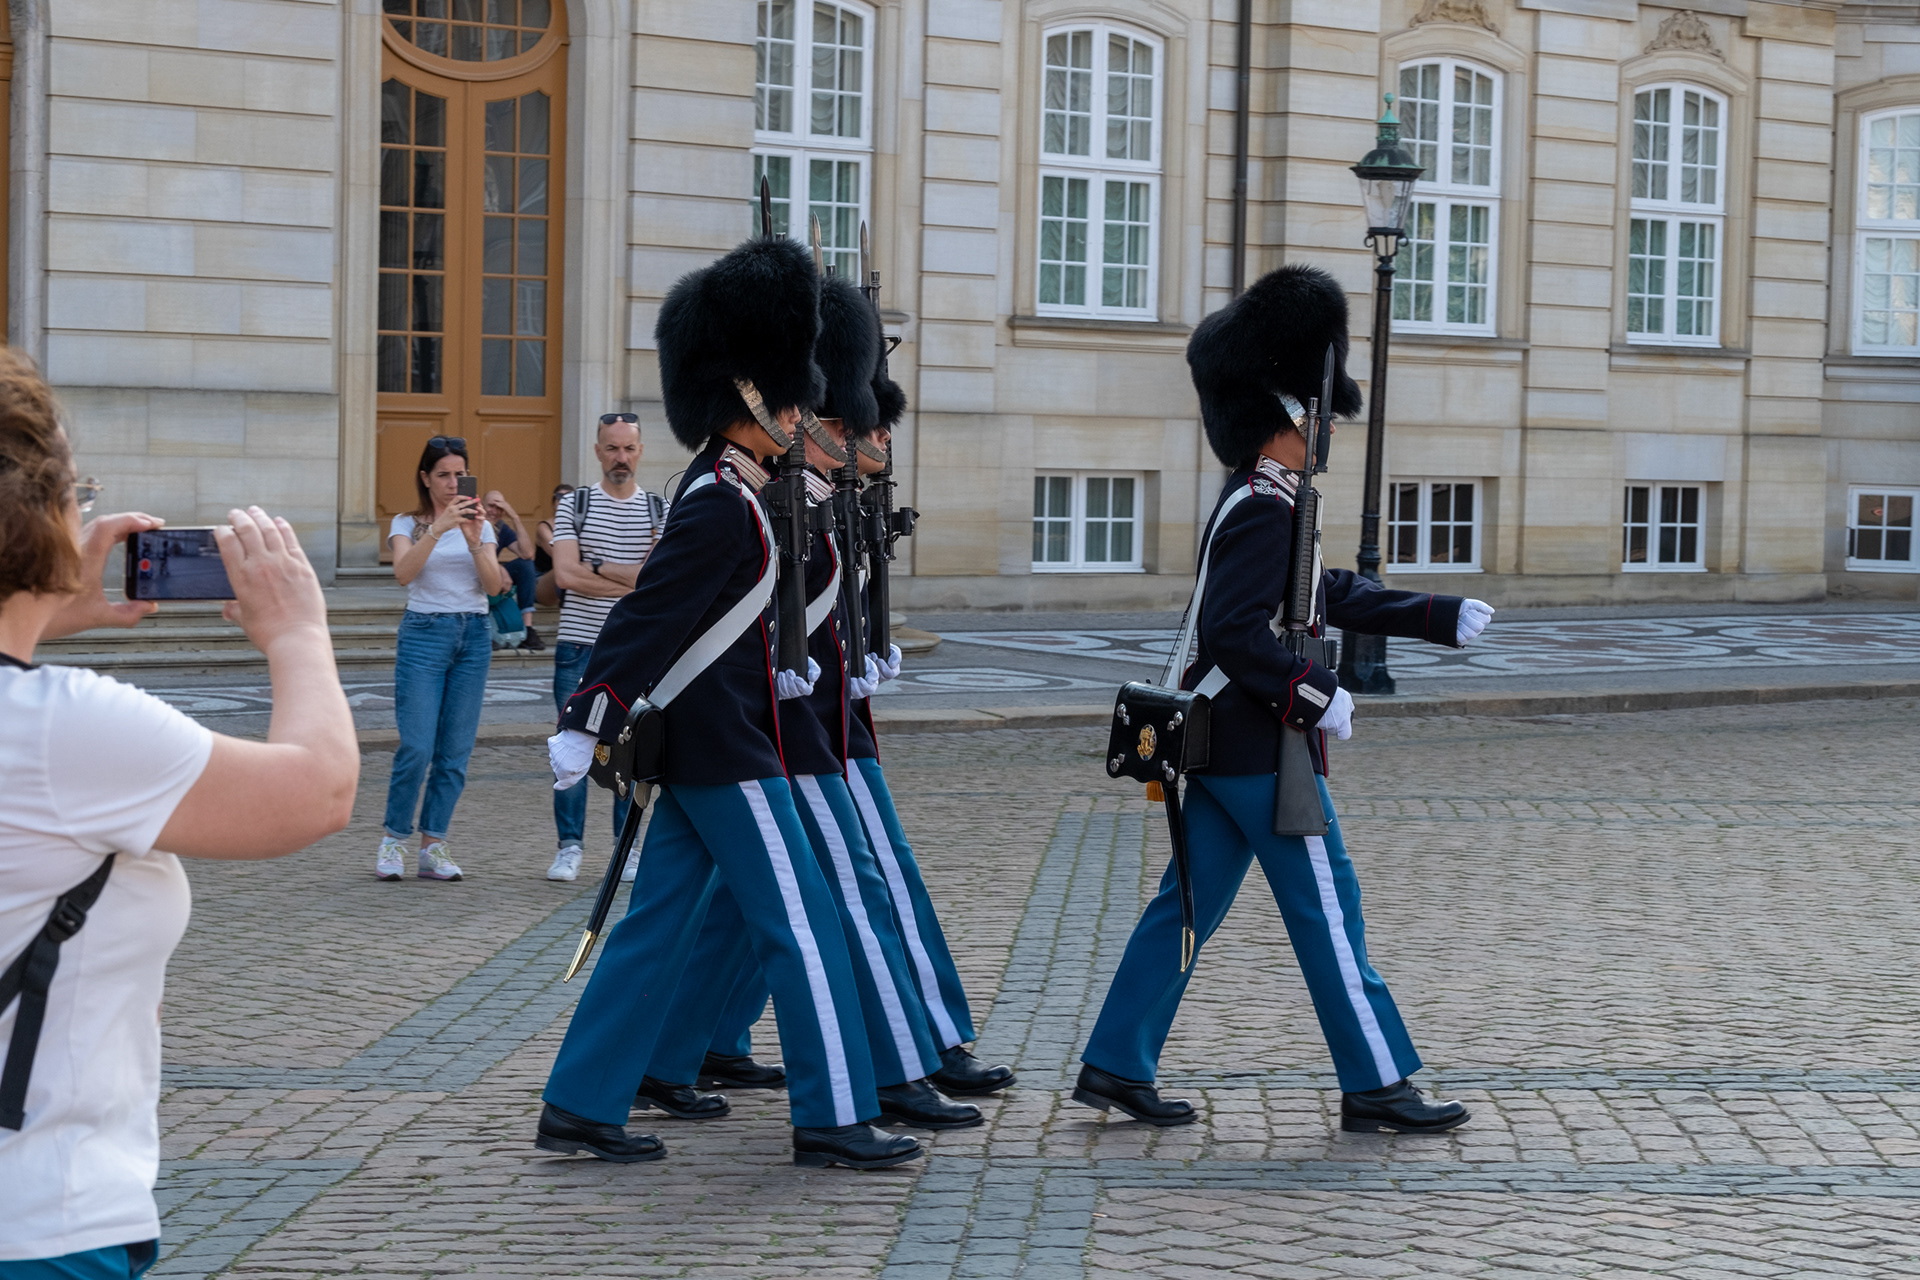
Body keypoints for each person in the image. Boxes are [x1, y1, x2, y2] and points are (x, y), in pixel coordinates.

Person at [1073, 264, 1494, 1135]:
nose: (1325, 428)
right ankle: (1376, 1084)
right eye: (1315, 414)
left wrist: (1431, 615)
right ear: (1286, 418)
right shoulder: (1265, 507)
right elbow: (1235, 631)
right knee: (1328, 909)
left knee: (1184, 905)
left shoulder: (1265, 498)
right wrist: (1312, 692)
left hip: (1225, 744)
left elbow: (1312, 593)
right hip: (1258, 747)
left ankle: (1116, 1061)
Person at [534, 234, 920, 1172]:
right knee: (806, 922)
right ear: (746, 394)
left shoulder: (748, 490)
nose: (803, 409)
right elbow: (652, 619)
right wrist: (588, 714)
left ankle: (580, 1101)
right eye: (789, 392)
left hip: (734, 741)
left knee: (656, 925)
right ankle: (832, 1114)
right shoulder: (717, 497)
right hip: (726, 749)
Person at [0, 351, 358, 1276]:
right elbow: (316, 791)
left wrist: (43, 615)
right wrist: (297, 632)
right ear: (36, 514)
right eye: (74, 490)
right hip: (40, 1217)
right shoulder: (62, 731)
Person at [634, 277, 993, 1130]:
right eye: (851, 422)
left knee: (749, 902)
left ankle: (687, 1046)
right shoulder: (743, 497)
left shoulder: (810, 498)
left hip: (813, 729)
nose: (869, 438)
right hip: (782, 735)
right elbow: (735, 629)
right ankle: (896, 1063)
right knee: (842, 894)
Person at [543, 414, 669, 884]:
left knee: (633, 752)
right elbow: (564, 576)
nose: (621, 458)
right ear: (597, 450)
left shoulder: (659, 509)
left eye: (629, 449)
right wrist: (627, 579)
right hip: (578, 646)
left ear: (640, 451)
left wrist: (593, 564)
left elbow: (653, 580)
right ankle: (569, 847)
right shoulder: (574, 504)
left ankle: (627, 848)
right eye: (612, 448)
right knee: (568, 753)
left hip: (636, 649)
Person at [377, 437, 506, 882]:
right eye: (444, 475)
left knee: (454, 752)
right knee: (417, 745)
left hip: (472, 636)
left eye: (459, 474)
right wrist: (437, 529)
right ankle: (394, 838)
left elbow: (493, 587)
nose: (453, 484)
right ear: (425, 478)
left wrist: (473, 539)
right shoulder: (405, 523)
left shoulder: (481, 526)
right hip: (424, 635)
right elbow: (403, 573)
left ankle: (434, 845)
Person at [485, 489, 544, 651]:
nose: (494, 512)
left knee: (525, 565)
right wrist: (498, 568)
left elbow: (527, 553)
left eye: (500, 508)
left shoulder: (501, 529)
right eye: (491, 506)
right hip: (473, 574)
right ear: (481, 506)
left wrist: (515, 517)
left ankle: (528, 629)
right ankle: (484, 630)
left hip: (491, 576)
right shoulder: (470, 524)